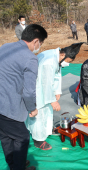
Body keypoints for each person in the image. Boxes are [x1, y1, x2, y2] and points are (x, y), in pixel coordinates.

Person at [0, 24, 47, 170]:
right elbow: (28, 91)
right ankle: (18, 167)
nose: (39, 46)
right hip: (10, 107)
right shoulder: (30, 59)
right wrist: (32, 108)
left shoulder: (5, 47)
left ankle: (13, 163)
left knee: (5, 136)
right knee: (22, 137)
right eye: (41, 43)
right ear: (35, 41)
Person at [25, 43, 83, 150]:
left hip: (44, 88)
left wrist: (57, 90)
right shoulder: (48, 62)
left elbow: (56, 74)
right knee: (40, 113)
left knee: (47, 111)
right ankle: (38, 140)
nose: (68, 64)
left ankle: (47, 130)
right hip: (37, 88)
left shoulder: (56, 56)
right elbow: (45, 84)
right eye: (68, 61)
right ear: (63, 56)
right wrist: (52, 100)